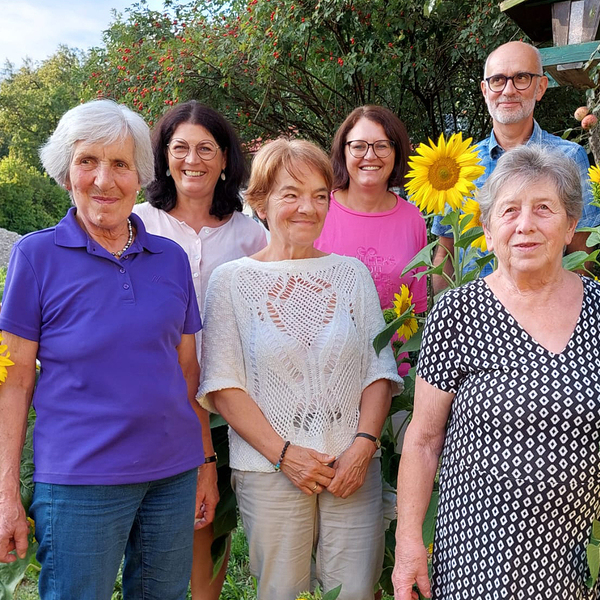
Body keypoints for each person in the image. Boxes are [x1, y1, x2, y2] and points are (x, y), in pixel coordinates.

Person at [0, 99, 216, 600]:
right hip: (79, 483)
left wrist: (204, 463)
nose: (104, 180)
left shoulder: (171, 259)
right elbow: (14, 382)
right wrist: (6, 491)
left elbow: (188, 373)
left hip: (172, 478)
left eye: (120, 164)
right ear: (65, 173)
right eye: (88, 162)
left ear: (140, 174)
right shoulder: (36, 257)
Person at [392, 145, 600, 600]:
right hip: (477, 560)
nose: (525, 224)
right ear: (486, 231)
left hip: (575, 559)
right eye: (509, 211)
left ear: (569, 227)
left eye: (544, 209)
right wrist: (408, 542)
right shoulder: (457, 314)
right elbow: (424, 440)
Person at [198, 138, 402, 600]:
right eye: (290, 194)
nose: (307, 207)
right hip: (271, 468)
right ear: (261, 201)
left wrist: (364, 446)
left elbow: (378, 370)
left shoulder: (352, 274)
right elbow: (223, 385)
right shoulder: (231, 281)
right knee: (280, 592)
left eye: (319, 195)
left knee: (354, 591)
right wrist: (285, 454)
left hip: (353, 467)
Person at [133, 100, 266, 600]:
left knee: (211, 521)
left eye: (206, 148)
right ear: (164, 157)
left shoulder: (250, 233)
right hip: (157, 397)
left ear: (226, 159)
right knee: (160, 523)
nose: (193, 160)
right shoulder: (137, 222)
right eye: (180, 148)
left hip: (228, 398)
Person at [432, 41, 600, 292]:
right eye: (498, 80)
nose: (508, 90)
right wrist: (446, 315)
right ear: (485, 90)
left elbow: (581, 254)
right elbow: (446, 250)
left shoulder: (569, 157)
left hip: (546, 314)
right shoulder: (457, 165)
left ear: (541, 87)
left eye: (521, 77)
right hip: (472, 319)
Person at [315, 105, 427, 315]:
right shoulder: (318, 211)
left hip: (393, 348)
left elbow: (415, 308)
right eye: (358, 146)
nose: (370, 156)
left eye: (382, 146)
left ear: (397, 152)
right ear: (343, 151)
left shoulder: (413, 219)